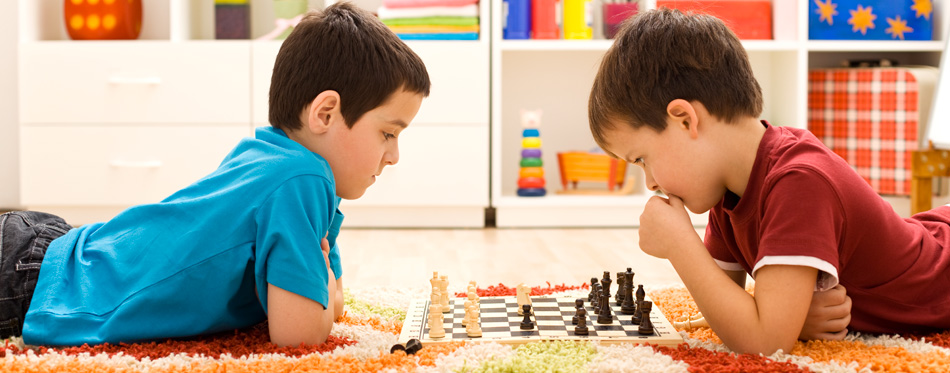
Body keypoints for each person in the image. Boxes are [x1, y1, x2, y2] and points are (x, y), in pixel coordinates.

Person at [0, 1, 430, 347]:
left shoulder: (275, 160)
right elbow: (300, 333)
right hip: (33, 281)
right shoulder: (301, 179)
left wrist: (327, 295)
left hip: (48, 250)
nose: (393, 156)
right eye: (388, 133)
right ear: (326, 112)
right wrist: (328, 292)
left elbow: (326, 306)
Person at [587, 8, 950, 355]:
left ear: (685, 119)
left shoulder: (799, 181)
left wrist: (681, 246)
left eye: (641, 159)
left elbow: (763, 343)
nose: (649, 182)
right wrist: (789, 321)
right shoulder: (727, 186)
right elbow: (729, 308)